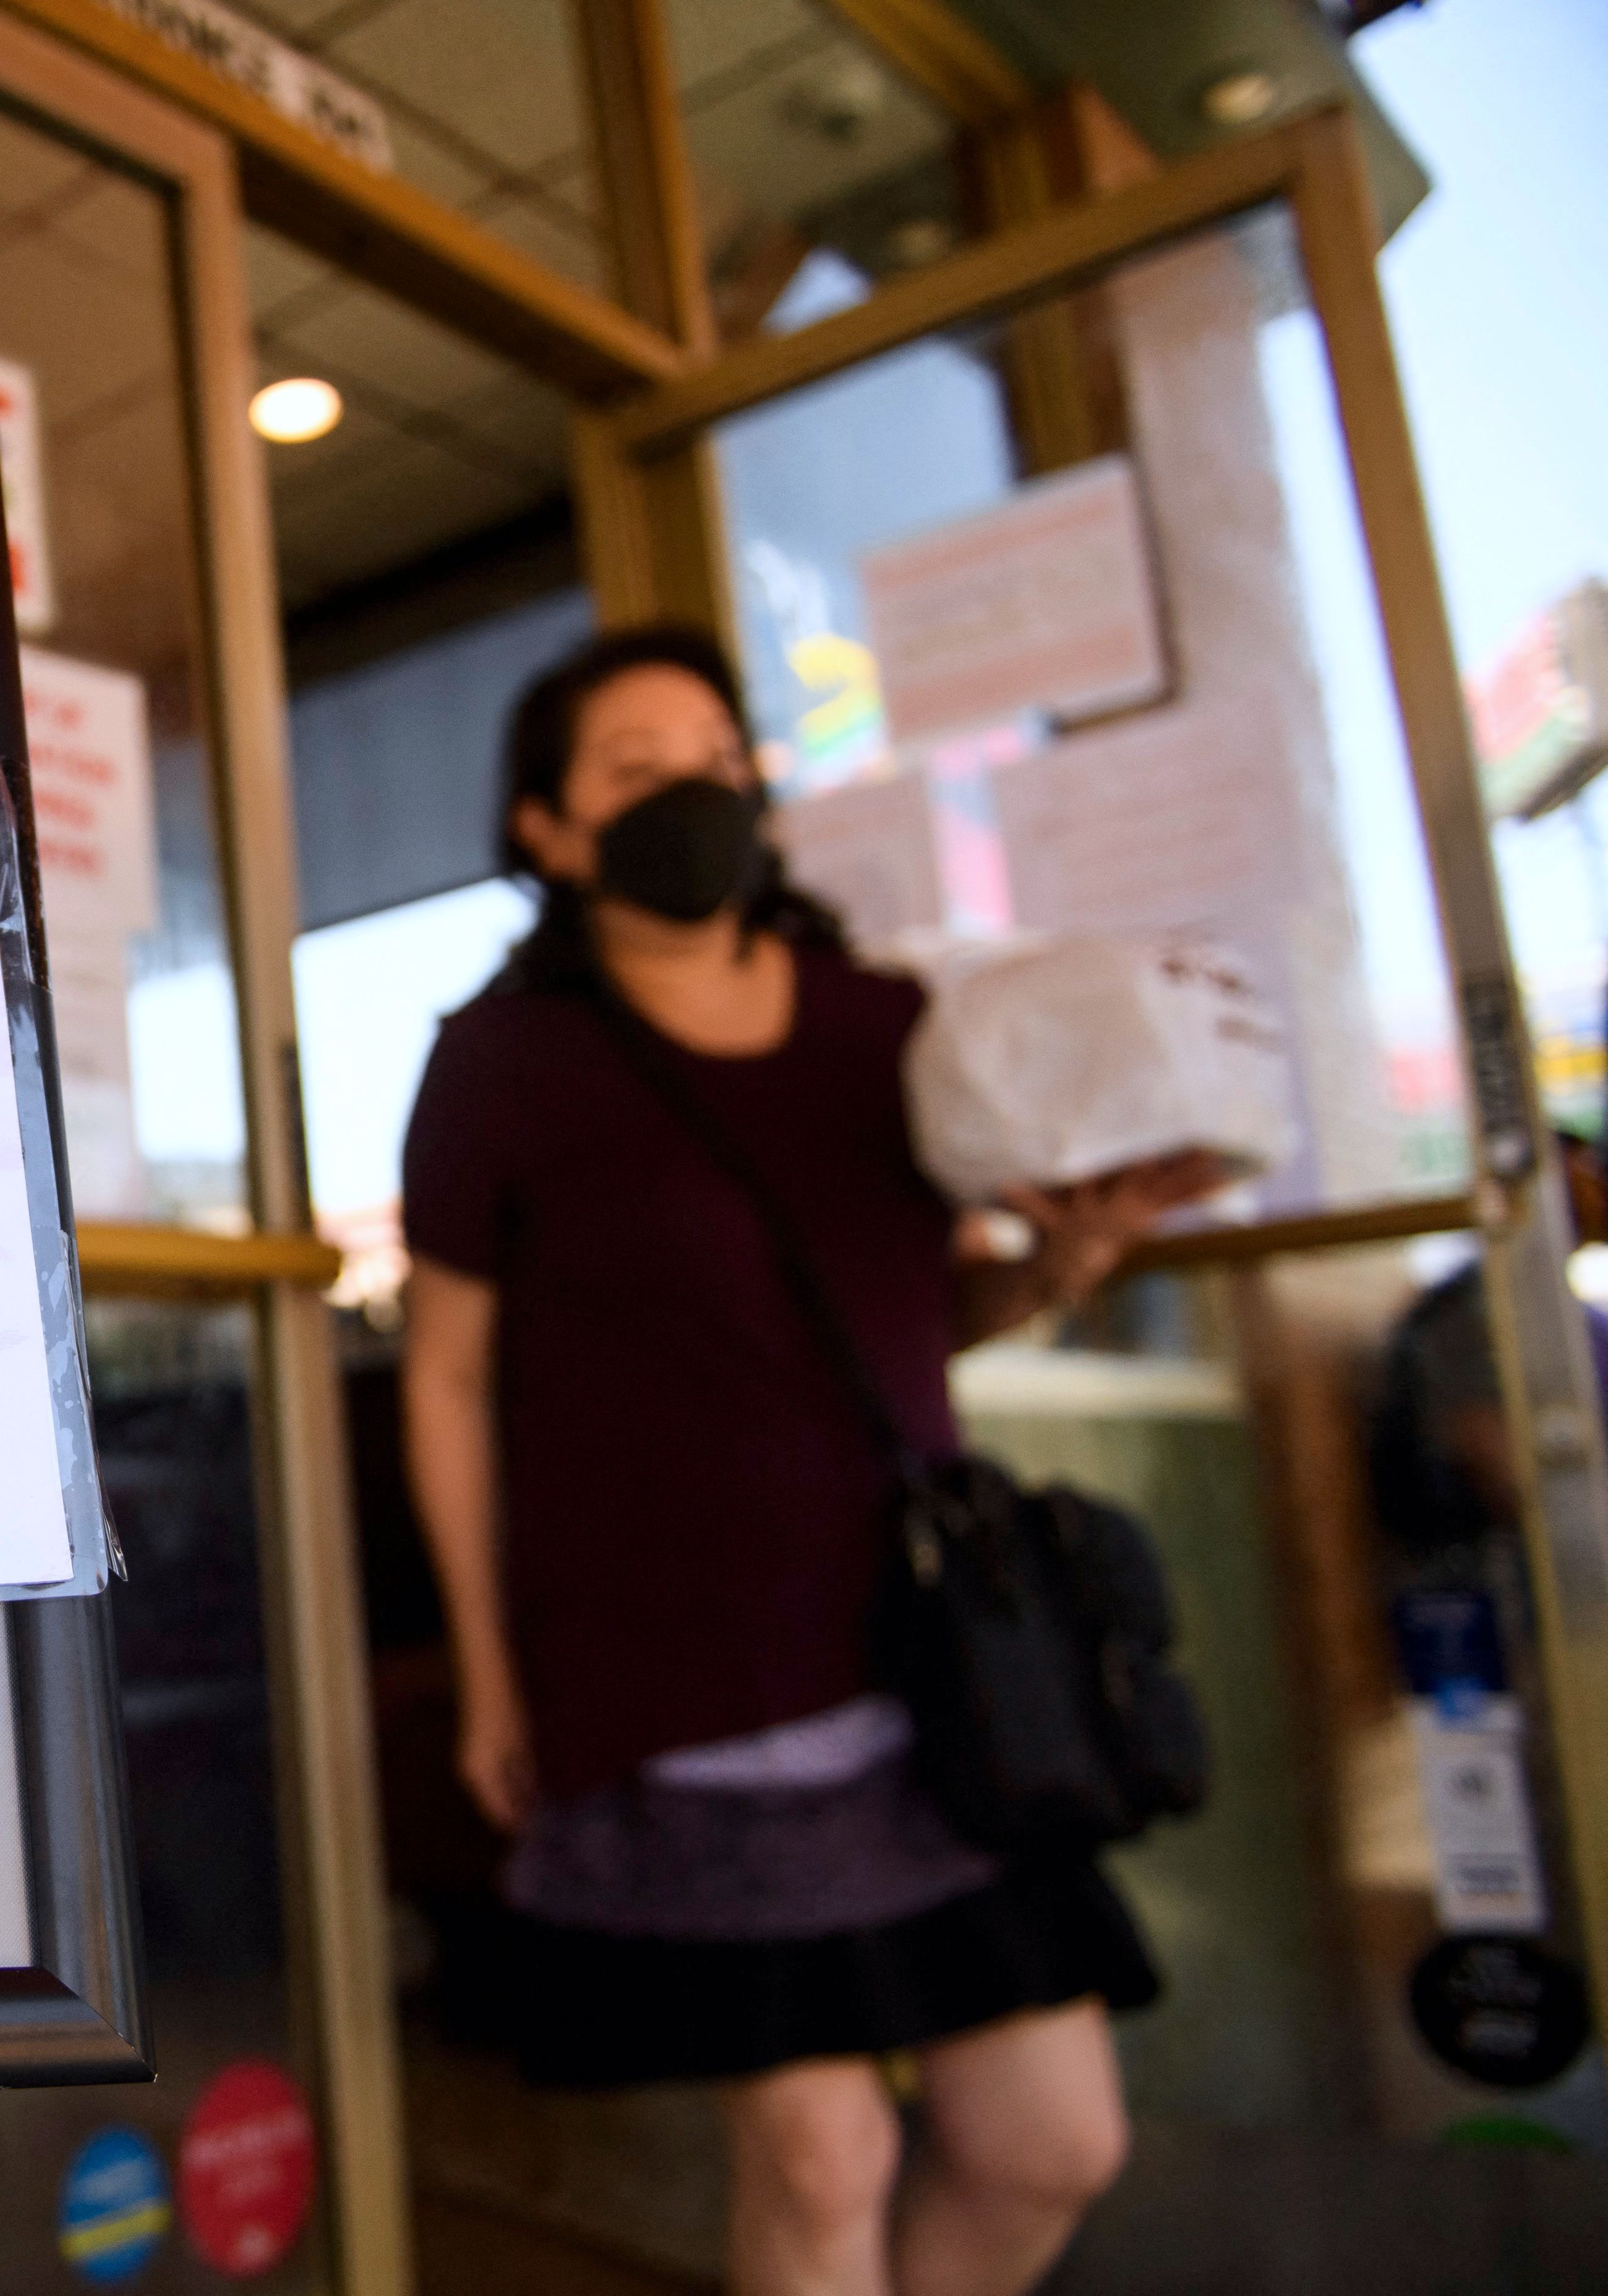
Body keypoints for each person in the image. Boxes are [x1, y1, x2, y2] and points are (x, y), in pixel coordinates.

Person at [396, 624, 1219, 2296]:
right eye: (635, 769)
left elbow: (933, 1320)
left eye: (717, 758)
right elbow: (448, 1379)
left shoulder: (889, 1025)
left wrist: (1062, 1265)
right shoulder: (501, 1063)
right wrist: (488, 1675)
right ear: (546, 828)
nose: (692, 793)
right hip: (672, 1680)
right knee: (821, 2157)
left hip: (933, 1664)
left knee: (1055, 2142)